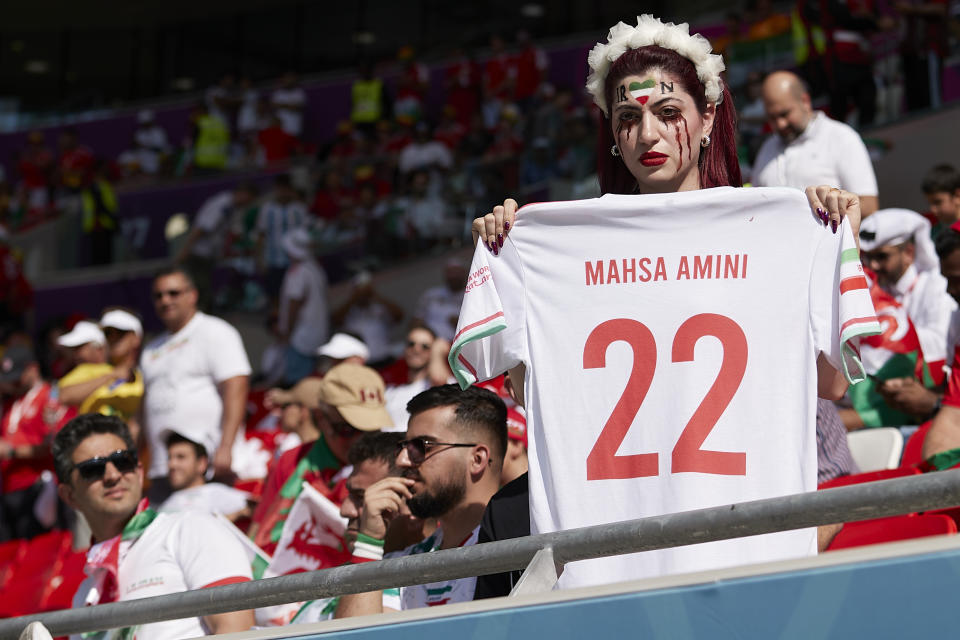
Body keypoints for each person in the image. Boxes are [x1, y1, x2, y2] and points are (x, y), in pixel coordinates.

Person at [461, 15, 880, 590]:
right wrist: (509, 252)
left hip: (740, 548)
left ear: (708, 118)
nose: (648, 136)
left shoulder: (777, 226)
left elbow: (831, 386)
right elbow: (531, 393)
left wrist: (833, 234)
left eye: (667, 113)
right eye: (628, 119)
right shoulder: (549, 244)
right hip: (614, 555)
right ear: (612, 132)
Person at [54, 414, 254, 637]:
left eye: (123, 461)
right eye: (93, 468)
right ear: (69, 495)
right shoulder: (85, 596)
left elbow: (238, 632)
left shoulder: (192, 528)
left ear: (139, 473)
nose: (113, 475)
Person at [335, 384, 507, 617]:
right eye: (404, 447)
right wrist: (370, 542)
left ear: (477, 459)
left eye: (421, 446)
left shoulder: (519, 543)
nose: (403, 460)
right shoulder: (401, 564)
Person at [249, 363, 393, 555]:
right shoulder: (292, 459)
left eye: (371, 429)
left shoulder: (393, 466)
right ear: (321, 418)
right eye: (348, 429)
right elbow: (258, 530)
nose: (361, 439)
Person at [140, 267, 251, 499]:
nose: (165, 300)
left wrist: (226, 447)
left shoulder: (215, 332)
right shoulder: (151, 349)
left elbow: (237, 388)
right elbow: (144, 410)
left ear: (193, 295)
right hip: (163, 467)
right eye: (158, 295)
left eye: (173, 293)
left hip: (207, 465)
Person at [289, 431, 407, 624]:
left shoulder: (410, 593)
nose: (345, 510)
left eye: (362, 498)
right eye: (349, 494)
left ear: (409, 502)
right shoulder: (341, 574)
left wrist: (369, 543)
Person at [751, 70, 879, 216]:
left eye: (784, 114)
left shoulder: (841, 137)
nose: (780, 124)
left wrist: (826, 217)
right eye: (772, 118)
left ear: (805, 101)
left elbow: (868, 205)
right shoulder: (768, 148)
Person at [859, 209, 956, 371]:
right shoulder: (876, 287)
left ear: (909, 253)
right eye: (868, 258)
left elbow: (941, 344)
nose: (873, 265)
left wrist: (891, 330)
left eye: (882, 257)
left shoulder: (936, 285)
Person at [0, 345, 68, 541]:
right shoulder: (11, 402)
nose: (14, 380)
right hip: (9, 487)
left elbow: (53, 445)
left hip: (36, 486)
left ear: (33, 369)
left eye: (18, 375)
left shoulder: (50, 397)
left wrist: (12, 452)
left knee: (35, 550)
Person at [175, 183, 258, 310]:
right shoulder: (222, 204)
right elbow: (201, 229)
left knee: (205, 286)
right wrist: (185, 250)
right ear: (243, 193)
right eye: (249, 199)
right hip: (199, 253)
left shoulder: (233, 207)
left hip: (209, 254)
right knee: (199, 288)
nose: (249, 203)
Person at [158, 430, 251, 520]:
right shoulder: (167, 502)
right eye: (169, 457)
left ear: (201, 463)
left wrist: (224, 520)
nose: (172, 464)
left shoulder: (215, 493)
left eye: (181, 457)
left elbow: (256, 508)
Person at [278, 228, 329, 385]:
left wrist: (287, 332)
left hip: (301, 339)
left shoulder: (297, 272)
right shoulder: (315, 268)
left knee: (299, 385)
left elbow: (294, 304)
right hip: (318, 335)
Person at [332, 272, 404, 365]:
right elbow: (334, 320)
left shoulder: (379, 308)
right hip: (361, 363)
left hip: (384, 359)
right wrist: (354, 298)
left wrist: (374, 295)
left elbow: (399, 316)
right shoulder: (348, 312)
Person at [256, 175, 308, 295]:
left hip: (295, 261)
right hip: (274, 260)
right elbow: (261, 235)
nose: (283, 193)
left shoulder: (299, 209)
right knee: (275, 294)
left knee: (294, 294)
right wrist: (259, 259)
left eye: (286, 189)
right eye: (280, 189)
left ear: (290, 190)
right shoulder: (266, 210)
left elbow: (305, 235)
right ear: (276, 190)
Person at [383, 323, 437, 430]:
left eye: (425, 346)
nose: (416, 350)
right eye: (411, 344)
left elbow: (438, 377)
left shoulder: (439, 385)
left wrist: (439, 351)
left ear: (434, 352)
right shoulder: (390, 391)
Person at [415, 258, 468, 342]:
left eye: (457, 272)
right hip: (428, 341)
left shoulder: (470, 295)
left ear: (465, 274)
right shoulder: (431, 294)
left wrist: (460, 323)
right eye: (450, 272)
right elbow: (417, 320)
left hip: (458, 343)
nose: (454, 276)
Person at [922, 164, 960, 237]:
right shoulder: (931, 231)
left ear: (957, 196)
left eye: (937, 202)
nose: (932, 209)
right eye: (929, 203)